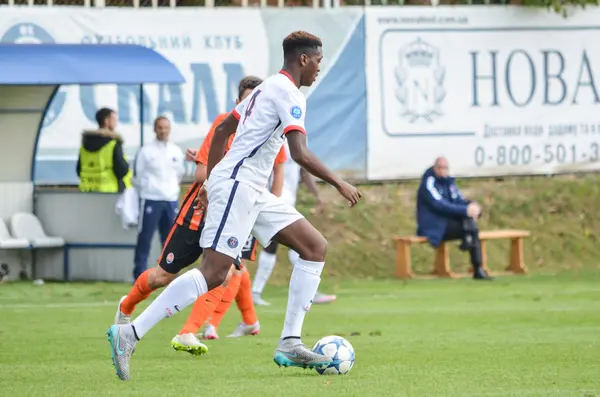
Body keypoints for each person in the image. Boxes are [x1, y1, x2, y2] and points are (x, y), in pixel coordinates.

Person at [106, 31, 362, 381]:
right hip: (240, 185)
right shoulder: (287, 92)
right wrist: (339, 182)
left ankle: (289, 341)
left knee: (315, 247)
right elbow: (298, 152)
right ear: (303, 59)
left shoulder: (265, 87)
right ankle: (129, 333)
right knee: (213, 271)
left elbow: (226, 127)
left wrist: (211, 180)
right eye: (318, 60)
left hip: (251, 188)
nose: (319, 67)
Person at [114, 76, 284, 355]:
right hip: (200, 211)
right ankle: (126, 307)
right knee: (161, 276)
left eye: (257, 100)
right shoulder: (224, 124)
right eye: (246, 100)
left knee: (227, 272)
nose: (251, 106)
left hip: (237, 211)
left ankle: (189, 332)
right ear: (237, 102)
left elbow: (277, 171)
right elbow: (202, 173)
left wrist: (267, 209)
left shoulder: (268, 128)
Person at [252, 140, 337, 306]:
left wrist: (317, 193)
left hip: (288, 199)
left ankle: (257, 292)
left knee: (298, 246)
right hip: (275, 197)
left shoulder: (295, 137)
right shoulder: (271, 137)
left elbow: (303, 170)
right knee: (288, 245)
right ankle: (256, 293)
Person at [416, 157, 491, 280]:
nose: (443, 171)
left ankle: (477, 266)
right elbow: (439, 205)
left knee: (472, 226)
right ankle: (474, 260)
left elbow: (458, 200)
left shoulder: (449, 182)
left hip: (447, 223)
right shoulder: (428, 183)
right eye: (440, 168)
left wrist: (472, 207)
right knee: (471, 226)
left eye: (445, 168)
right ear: (435, 168)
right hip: (433, 226)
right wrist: (465, 210)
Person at [132, 117, 185, 281]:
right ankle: (139, 274)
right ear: (154, 129)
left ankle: (170, 274)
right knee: (145, 237)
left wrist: (171, 191)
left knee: (170, 239)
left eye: (166, 127)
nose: (163, 131)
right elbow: (138, 176)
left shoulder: (176, 151)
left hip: (170, 200)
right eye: (160, 128)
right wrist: (149, 189)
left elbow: (180, 173)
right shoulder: (146, 151)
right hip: (151, 199)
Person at [77, 107, 131, 193]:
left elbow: (79, 170)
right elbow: (121, 170)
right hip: (109, 192)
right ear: (106, 121)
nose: (116, 123)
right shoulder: (112, 144)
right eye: (114, 120)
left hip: (87, 191)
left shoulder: (84, 145)